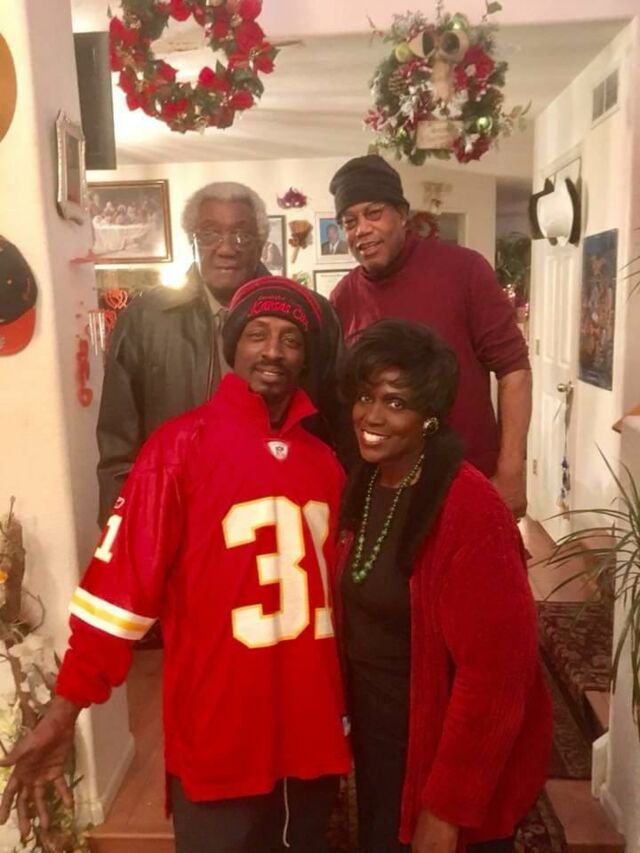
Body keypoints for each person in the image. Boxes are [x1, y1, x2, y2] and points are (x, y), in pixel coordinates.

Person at [0, 278, 351, 853]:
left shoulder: (323, 462)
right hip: (219, 737)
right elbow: (117, 595)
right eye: (258, 334)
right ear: (233, 346)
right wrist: (64, 711)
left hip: (311, 738)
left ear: (306, 357)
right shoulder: (177, 448)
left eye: (291, 340)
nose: (273, 351)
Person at [337, 320, 552, 853]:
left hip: (441, 753)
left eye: (396, 402)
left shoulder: (470, 509)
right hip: (380, 742)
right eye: (365, 396)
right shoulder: (365, 482)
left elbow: (498, 675)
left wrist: (446, 809)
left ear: (430, 416)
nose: (372, 417)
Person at [97, 181, 344, 526]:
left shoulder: (313, 316)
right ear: (192, 240)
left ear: (261, 244)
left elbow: (337, 425)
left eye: (242, 235)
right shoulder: (145, 319)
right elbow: (118, 444)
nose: (226, 248)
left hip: (284, 515)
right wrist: (122, 528)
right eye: (210, 233)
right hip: (177, 515)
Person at [328, 155, 532, 517]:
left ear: (402, 214)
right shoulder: (343, 297)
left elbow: (514, 370)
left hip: (467, 477)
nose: (362, 229)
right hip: (385, 489)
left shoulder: (464, 270)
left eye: (374, 213)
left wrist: (511, 471)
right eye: (349, 221)